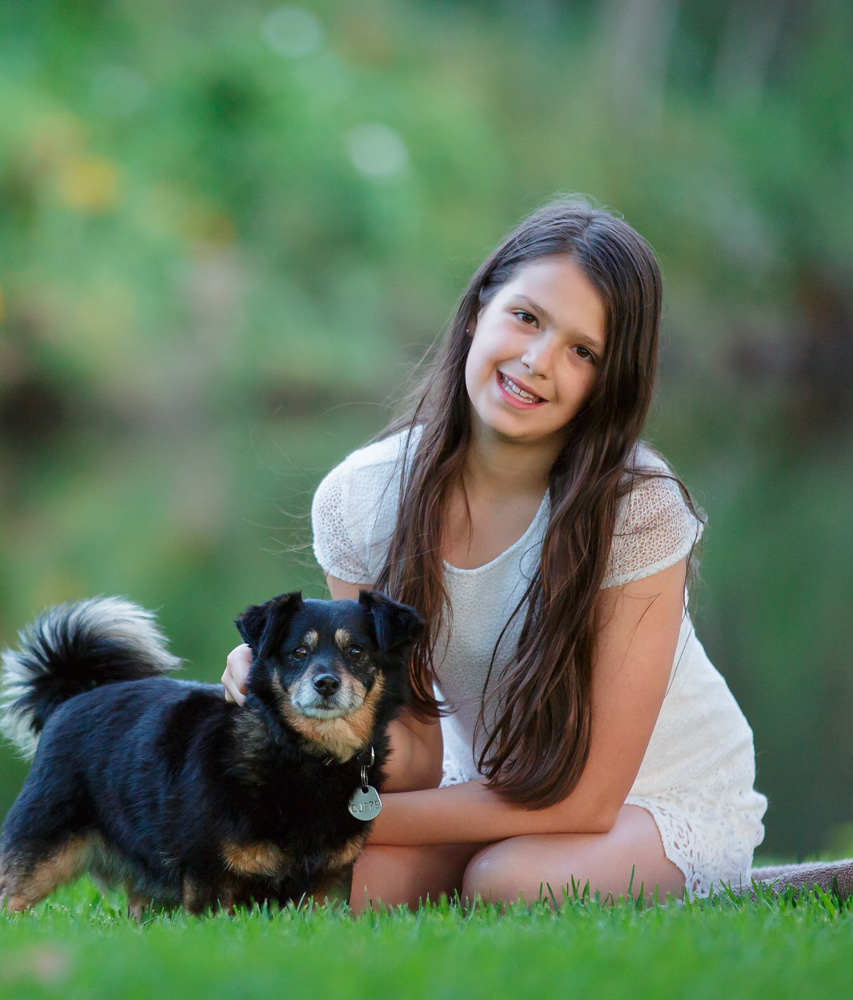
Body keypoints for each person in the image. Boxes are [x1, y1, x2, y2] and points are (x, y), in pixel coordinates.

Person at [222, 197, 767, 909]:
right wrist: (274, 704)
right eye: (527, 317)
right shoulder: (362, 499)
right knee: (353, 888)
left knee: (506, 882)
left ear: (610, 380)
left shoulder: (636, 507)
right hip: (489, 790)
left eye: (583, 352)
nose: (539, 362)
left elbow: (592, 799)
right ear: (480, 308)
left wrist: (338, 818)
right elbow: (411, 752)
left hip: (650, 797)